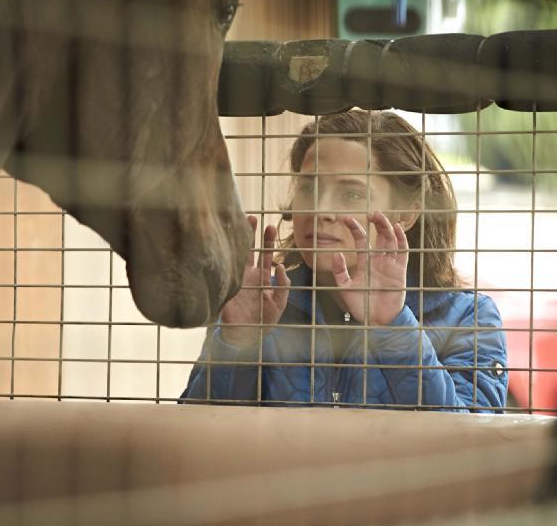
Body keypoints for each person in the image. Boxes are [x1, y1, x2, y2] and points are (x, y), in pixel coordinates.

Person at [181, 110, 508, 412]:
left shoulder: (469, 316)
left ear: (407, 212)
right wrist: (237, 344)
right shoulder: (260, 302)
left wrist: (394, 328)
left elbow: (475, 446)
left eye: (352, 193)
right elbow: (190, 442)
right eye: (308, 188)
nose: (319, 210)